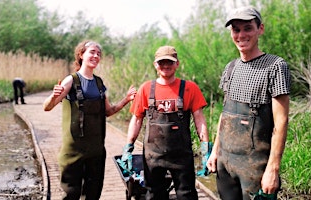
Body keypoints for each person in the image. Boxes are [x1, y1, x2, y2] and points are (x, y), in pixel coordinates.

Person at [206, 6, 291, 200]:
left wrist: (273, 169)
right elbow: (225, 114)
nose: (241, 35)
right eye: (236, 29)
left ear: (260, 29)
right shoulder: (231, 67)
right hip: (225, 165)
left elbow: (281, 122)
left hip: (255, 168)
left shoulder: (275, 66)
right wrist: (215, 152)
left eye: (247, 28)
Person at [43, 40, 136, 200]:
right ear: (81, 55)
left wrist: (126, 100)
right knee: (71, 193)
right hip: (73, 150)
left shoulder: (99, 84)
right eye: (92, 52)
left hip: (96, 150)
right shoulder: (71, 80)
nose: (96, 56)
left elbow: (108, 111)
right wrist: (54, 96)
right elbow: (47, 107)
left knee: (93, 193)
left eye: (98, 54)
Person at [118, 45, 210, 200]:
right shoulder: (146, 89)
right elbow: (137, 119)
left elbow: (199, 119)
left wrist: (205, 146)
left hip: (182, 157)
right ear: (155, 65)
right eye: (161, 63)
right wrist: (128, 146)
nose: (165, 66)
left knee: (186, 195)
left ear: (177, 64)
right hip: (153, 157)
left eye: (169, 62)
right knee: (154, 195)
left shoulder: (189, 88)